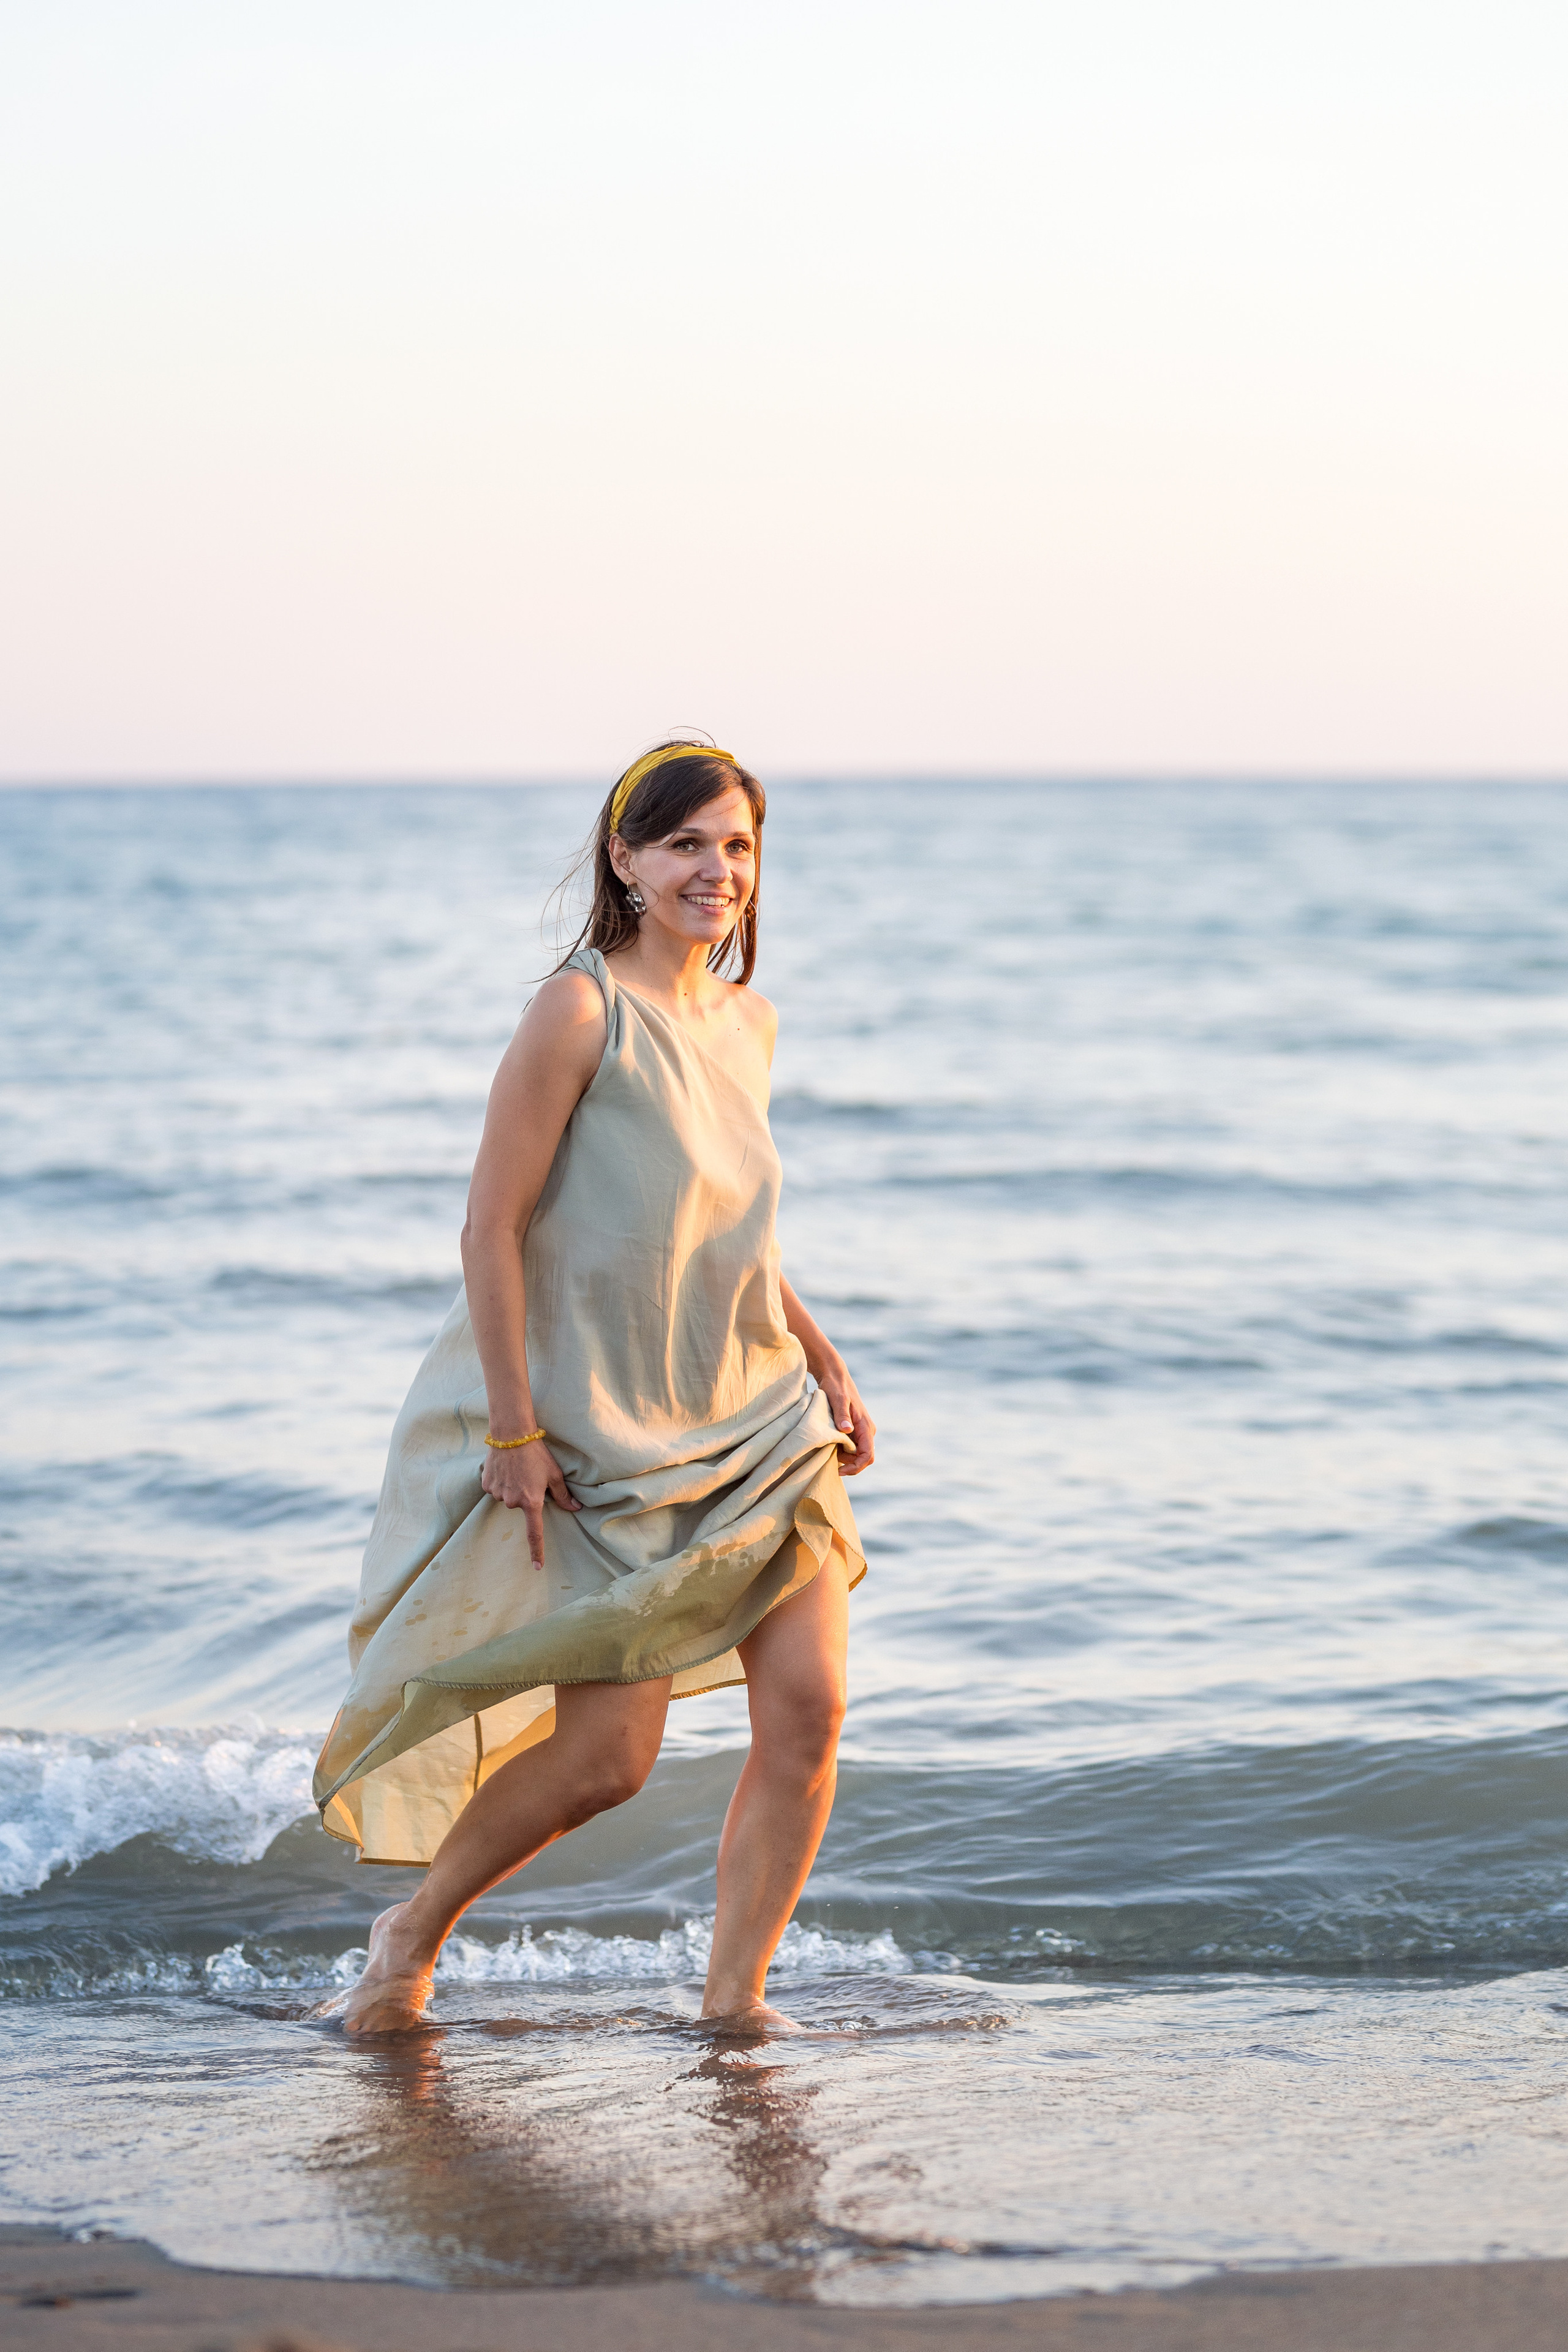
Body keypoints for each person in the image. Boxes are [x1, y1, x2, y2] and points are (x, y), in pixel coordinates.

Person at [313, 742, 873, 2034]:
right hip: (607, 1432)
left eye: (736, 848)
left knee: (810, 1707)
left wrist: (822, 1349)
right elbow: (490, 1230)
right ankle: (410, 1929)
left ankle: (734, 2004)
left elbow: (727, 1224)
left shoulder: (749, 1022)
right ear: (624, 857)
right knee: (608, 1761)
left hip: (758, 1414)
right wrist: (513, 1428)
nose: (715, 872)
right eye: (686, 845)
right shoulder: (578, 1012)